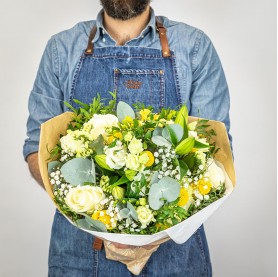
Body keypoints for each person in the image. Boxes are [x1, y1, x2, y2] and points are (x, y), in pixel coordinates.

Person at [23, 1, 231, 276]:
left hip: (175, 257)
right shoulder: (61, 49)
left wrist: (157, 232)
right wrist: (91, 212)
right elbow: (37, 149)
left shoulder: (194, 47)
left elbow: (214, 152)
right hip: (81, 253)